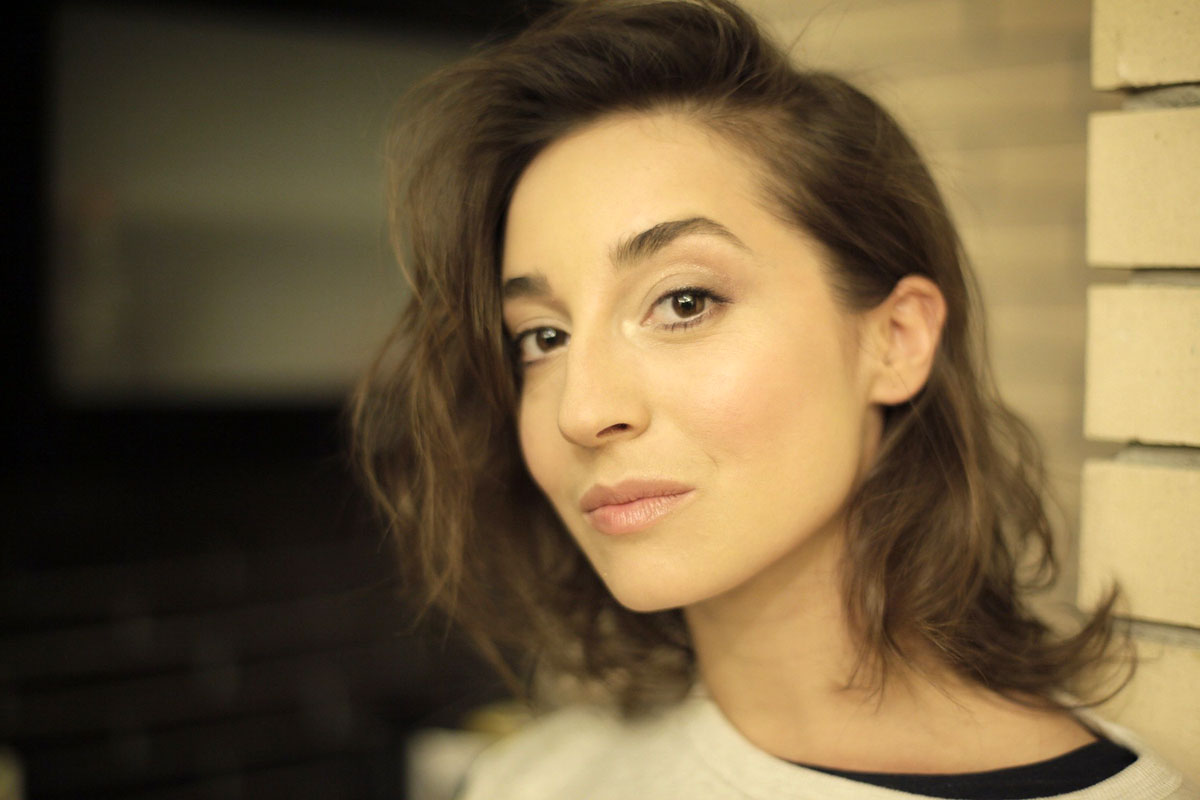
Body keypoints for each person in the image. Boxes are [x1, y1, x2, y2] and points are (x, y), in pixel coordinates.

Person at [352, 1, 1197, 797]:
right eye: (542, 337)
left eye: (684, 302)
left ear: (896, 340)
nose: (582, 410)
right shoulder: (532, 781)